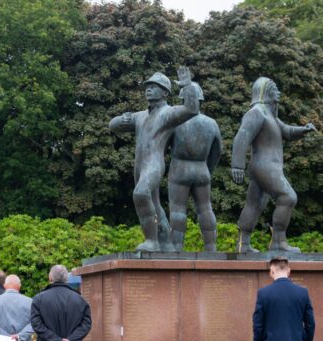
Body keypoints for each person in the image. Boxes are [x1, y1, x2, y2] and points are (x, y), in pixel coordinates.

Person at [109, 67, 200, 251]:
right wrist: (122, 118)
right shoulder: (140, 116)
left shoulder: (168, 113)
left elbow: (191, 109)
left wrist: (188, 86)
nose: (148, 89)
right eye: (147, 86)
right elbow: (112, 125)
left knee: (141, 193)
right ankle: (166, 242)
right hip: (139, 165)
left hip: (154, 163)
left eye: (154, 86)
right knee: (155, 205)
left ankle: (151, 241)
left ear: (165, 92)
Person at [233, 77, 318, 253]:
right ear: (266, 92)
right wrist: (237, 165)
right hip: (265, 166)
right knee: (288, 197)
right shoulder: (257, 112)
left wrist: (304, 129)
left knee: (255, 204)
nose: (278, 91)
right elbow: (242, 136)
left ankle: (244, 244)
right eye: (275, 88)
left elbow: (286, 131)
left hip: (266, 167)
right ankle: (279, 241)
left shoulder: (270, 116)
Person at [167, 83, 221, 251]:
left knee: (177, 210)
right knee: (205, 208)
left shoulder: (175, 122)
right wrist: (208, 170)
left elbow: (163, 146)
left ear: (183, 99)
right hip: (202, 169)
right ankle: (211, 247)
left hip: (179, 168)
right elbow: (217, 152)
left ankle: (176, 248)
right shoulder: (212, 123)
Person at [31, 265, 93, 341]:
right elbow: (86, 325)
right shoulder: (79, 299)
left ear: (50, 277)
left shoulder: (39, 298)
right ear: (67, 279)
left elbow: (37, 325)